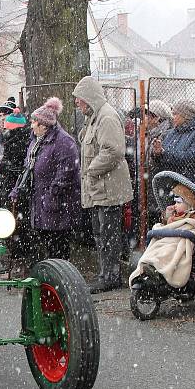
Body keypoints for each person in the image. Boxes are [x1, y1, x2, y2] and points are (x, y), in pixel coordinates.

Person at [73, 76, 134, 293]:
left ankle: (110, 276)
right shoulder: (95, 117)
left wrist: (91, 170)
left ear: (88, 98)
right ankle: (105, 274)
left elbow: (113, 151)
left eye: (79, 100)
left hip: (108, 188)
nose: (77, 105)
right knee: (101, 234)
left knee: (108, 235)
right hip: (100, 187)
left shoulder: (106, 117)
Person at [9, 98, 80, 263]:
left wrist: (52, 195)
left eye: (34, 122)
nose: (31, 125)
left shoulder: (64, 141)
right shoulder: (36, 142)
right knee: (45, 245)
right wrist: (17, 189)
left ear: (44, 125)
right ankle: (47, 279)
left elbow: (67, 173)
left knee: (58, 247)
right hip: (40, 202)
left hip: (58, 206)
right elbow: (28, 168)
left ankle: (59, 281)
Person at [151, 99, 195, 184]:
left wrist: (164, 153)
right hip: (172, 184)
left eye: (175, 114)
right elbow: (160, 159)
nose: (173, 117)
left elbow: (192, 158)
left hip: (192, 185)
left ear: (186, 115)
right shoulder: (171, 133)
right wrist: (156, 154)